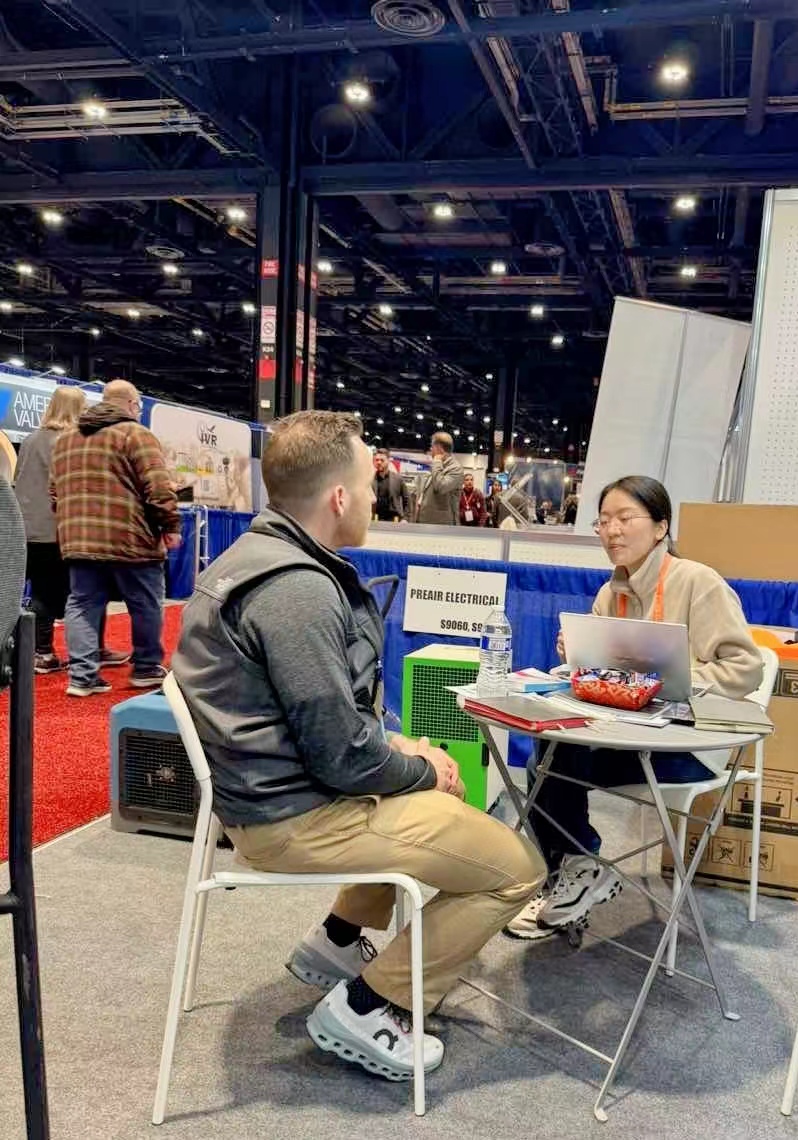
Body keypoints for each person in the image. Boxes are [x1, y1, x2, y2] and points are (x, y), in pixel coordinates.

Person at [171, 411, 544, 1083]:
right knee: (516, 869)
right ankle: (372, 1006)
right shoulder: (297, 590)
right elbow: (343, 757)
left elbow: (321, 722)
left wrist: (399, 751)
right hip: (293, 817)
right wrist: (423, 769)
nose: (376, 499)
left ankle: (338, 940)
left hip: (268, 797)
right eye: (371, 486)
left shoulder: (254, 559)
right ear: (339, 497)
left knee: (431, 796)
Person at [505, 474, 763, 940]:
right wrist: (579, 656)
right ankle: (576, 872)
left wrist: (669, 678)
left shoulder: (697, 582)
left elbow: (745, 670)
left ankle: (576, 871)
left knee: (555, 760)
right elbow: (608, 676)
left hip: (689, 747)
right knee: (548, 751)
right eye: (603, 521)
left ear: (661, 526)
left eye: (625, 518)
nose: (612, 531)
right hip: (626, 735)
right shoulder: (610, 593)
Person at [50, 379, 181, 697]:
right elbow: (158, 487)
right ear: (133, 404)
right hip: (131, 539)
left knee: (81, 603)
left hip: (79, 540)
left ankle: (82, 677)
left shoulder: (65, 440)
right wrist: (170, 525)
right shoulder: (136, 434)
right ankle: (146, 668)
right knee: (145, 602)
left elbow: (54, 493)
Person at [13, 386, 128, 674]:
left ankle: (43, 651)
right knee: (83, 592)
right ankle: (57, 651)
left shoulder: (30, 439)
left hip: (25, 528)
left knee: (41, 590)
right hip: (59, 529)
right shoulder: (70, 442)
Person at [415, 431, 463, 524]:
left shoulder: (455, 468)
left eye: (432, 446)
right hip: (428, 522)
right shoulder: (439, 466)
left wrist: (437, 461)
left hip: (442, 524)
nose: (430, 449)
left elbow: (440, 487)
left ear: (439, 448)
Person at [372, 448, 409, 522]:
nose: (379, 462)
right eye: (377, 460)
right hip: (375, 518)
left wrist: (405, 518)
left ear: (388, 461)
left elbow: (407, 499)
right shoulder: (370, 479)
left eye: (382, 460)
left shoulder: (398, 479)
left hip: (394, 519)